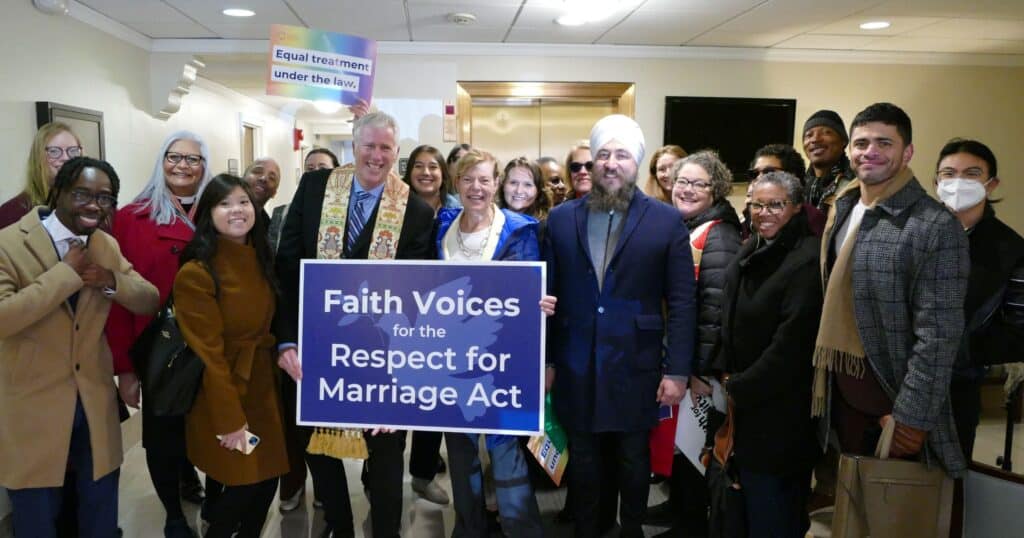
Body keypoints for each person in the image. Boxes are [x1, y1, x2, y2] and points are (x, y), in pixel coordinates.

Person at [275, 111, 435, 538]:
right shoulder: (315, 189)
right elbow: (287, 269)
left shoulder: (416, 212)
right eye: (369, 145)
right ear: (354, 145)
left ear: (397, 153)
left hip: (380, 360)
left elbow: (415, 298)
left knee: (385, 461)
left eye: (386, 148)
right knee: (319, 453)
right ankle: (340, 528)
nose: (376, 155)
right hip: (315, 351)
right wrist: (287, 339)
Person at [544, 114, 696, 538]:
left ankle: (630, 531)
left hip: (638, 364)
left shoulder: (666, 221)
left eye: (622, 155)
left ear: (636, 163)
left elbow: (683, 302)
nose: (611, 163)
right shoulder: (560, 219)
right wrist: (550, 359)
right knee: (586, 462)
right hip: (577, 362)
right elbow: (550, 297)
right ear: (592, 162)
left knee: (633, 462)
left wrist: (677, 370)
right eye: (603, 154)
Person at [0, 157, 159, 536]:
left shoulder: (105, 244)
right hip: (32, 408)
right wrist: (65, 275)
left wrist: (110, 280)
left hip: (93, 404)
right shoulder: (8, 243)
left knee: (99, 515)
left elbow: (148, 299)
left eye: (105, 198)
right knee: (37, 520)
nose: (94, 206)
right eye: (83, 194)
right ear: (58, 193)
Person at [812, 103, 969, 483]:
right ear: (849, 150)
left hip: (891, 397)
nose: (871, 151)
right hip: (840, 388)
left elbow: (939, 333)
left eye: (884, 142)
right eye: (861, 142)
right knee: (847, 506)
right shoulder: (843, 208)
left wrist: (912, 416)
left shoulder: (933, 225)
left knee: (890, 512)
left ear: (908, 152)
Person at [436, 149, 553, 537]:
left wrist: (542, 301)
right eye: (468, 179)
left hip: (502, 361)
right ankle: (469, 528)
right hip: (450, 360)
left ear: (496, 184)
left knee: (506, 454)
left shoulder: (521, 229)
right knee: (462, 453)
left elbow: (534, 289)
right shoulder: (443, 224)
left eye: (485, 179)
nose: (477, 188)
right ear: (456, 184)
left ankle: (522, 529)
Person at [106, 131, 213, 537]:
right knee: (164, 437)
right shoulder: (131, 218)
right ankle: (172, 512)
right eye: (175, 157)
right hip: (158, 349)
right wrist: (125, 368)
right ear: (161, 161)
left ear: (205, 166)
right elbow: (115, 296)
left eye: (194, 159)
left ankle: (208, 492)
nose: (183, 166)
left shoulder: (221, 211)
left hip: (209, 344)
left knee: (211, 425)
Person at [173, 174, 289, 537]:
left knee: (267, 480)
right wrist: (229, 420)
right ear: (208, 213)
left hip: (264, 388)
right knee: (242, 485)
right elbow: (209, 356)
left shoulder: (260, 258)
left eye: (242, 202)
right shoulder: (197, 273)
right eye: (224, 204)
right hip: (225, 394)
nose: (236, 210)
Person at [719, 171, 823, 536]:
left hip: (780, 411)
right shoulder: (756, 246)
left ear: (796, 208)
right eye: (757, 204)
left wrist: (738, 386)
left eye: (776, 204)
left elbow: (791, 346)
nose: (764, 212)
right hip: (748, 405)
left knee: (774, 512)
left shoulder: (805, 259)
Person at [648, 150, 741, 537]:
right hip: (683, 362)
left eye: (698, 183)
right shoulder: (685, 228)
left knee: (695, 450)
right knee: (682, 451)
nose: (685, 189)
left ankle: (689, 526)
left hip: (701, 372)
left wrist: (701, 371)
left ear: (716, 188)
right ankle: (680, 512)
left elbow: (715, 312)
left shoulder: (717, 234)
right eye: (681, 181)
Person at [932, 139, 1024, 459]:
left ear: (991, 183)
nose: (958, 182)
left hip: (959, 383)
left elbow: (1019, 328)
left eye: (971, 174)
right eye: (948, 173)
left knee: (948, 480)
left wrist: (966, 352)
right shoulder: (915, 233)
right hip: (895, 379)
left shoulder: (1009, 249)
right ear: (936, 182)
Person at [0, 122, 82, 228]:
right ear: (38, 157)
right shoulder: (12, 212)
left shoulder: (94, 207)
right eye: (54, 151)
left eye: (73, 151)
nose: (66, 158)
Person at [749, 144, 826, 237]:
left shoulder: (813, 220)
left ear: (793, 176)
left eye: (769, 172)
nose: (759, 178)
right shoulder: (750, 215)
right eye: (754, 174)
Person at [802, 110, 854, 212]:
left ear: (843, 141)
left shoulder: (856, 184)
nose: (815, 139)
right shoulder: (798, 185)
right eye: (809, 135)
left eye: (826, 132)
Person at [402, 144, 460, 215]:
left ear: (442, 173)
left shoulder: (454, 208)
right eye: (419, 166)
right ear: (409, 172)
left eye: (433, 167)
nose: (426, 172)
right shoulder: (397, 205)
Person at [498, 156, 553, 221]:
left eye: (528, 185)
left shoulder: (549, 225)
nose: (519, 191)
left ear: (538, 191)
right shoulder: (488, 222)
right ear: (502, 186)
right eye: (513, 183)